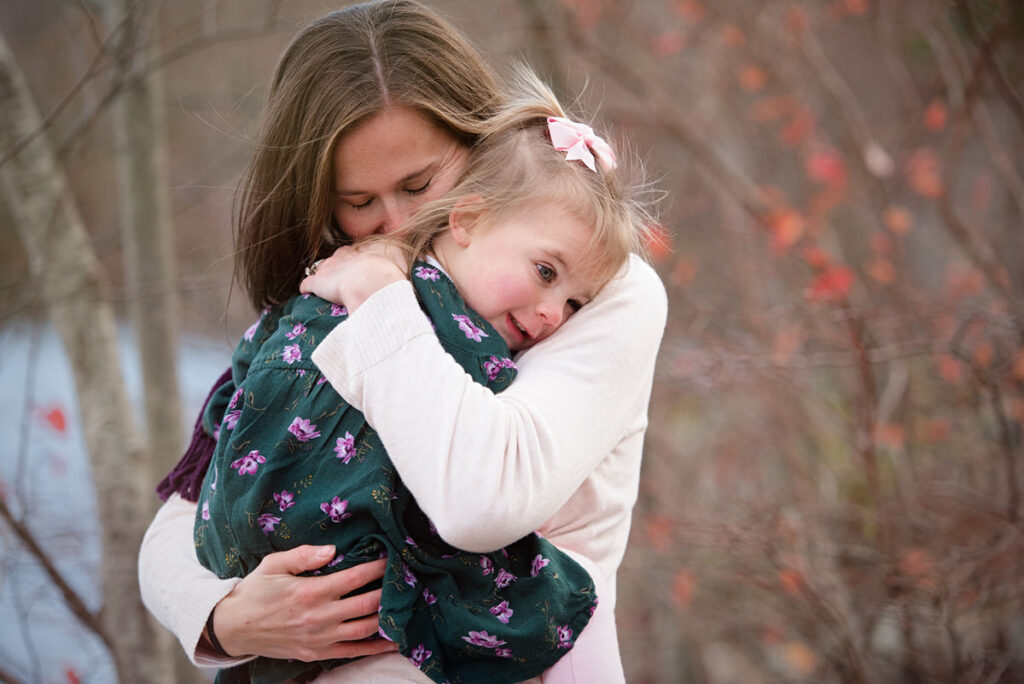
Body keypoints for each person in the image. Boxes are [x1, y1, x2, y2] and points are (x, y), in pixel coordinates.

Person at [139, 1, 667, 681]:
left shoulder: (592, 289)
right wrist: (227, 616)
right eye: (359, 202)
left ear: (476, 153)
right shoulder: (316, 308)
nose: (394, 222)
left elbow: (481, 500)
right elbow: (178, 520)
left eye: (419, 184)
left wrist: (382, 297)